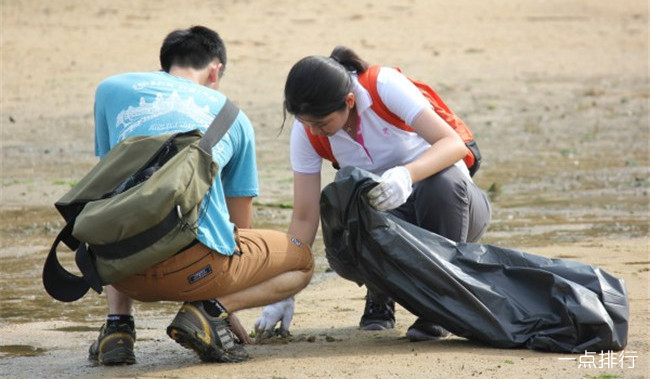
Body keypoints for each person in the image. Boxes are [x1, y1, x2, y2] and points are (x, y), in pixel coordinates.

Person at [88, 25, 314, 365]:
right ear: (216, 70)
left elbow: (108, 185)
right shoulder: (232, 116)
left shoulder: (110, 90)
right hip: (195, 274)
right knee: (303, 261)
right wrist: (226, 304)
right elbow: (240, 232)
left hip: (120, 271)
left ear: (165, 64)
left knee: (121, 200)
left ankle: (118, 328)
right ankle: (208, 311)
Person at [257, 46, 491, 342]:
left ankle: (442, 304)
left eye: (322, 123)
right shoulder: (307, 132)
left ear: (350, 101)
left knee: (441, 181)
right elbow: (304, 216)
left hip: (456, 210)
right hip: (390, 220)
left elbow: (453, 144)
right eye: (307, 124)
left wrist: (407, 175)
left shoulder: (383, 86)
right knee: (347, 193)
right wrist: (284, 289)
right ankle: (379, 295)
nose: (315, 132)